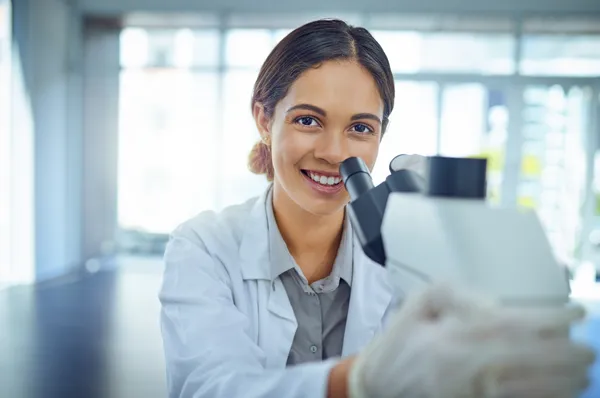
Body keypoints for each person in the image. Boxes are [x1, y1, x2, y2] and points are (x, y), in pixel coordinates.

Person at [159, 19, 595, 398]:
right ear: (264, 119)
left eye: (360, 128)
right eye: (308, 120)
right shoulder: (203, 247)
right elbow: (210, 387)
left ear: (381, 136)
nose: (334, 152)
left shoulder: (405, 251)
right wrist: (359, 383)